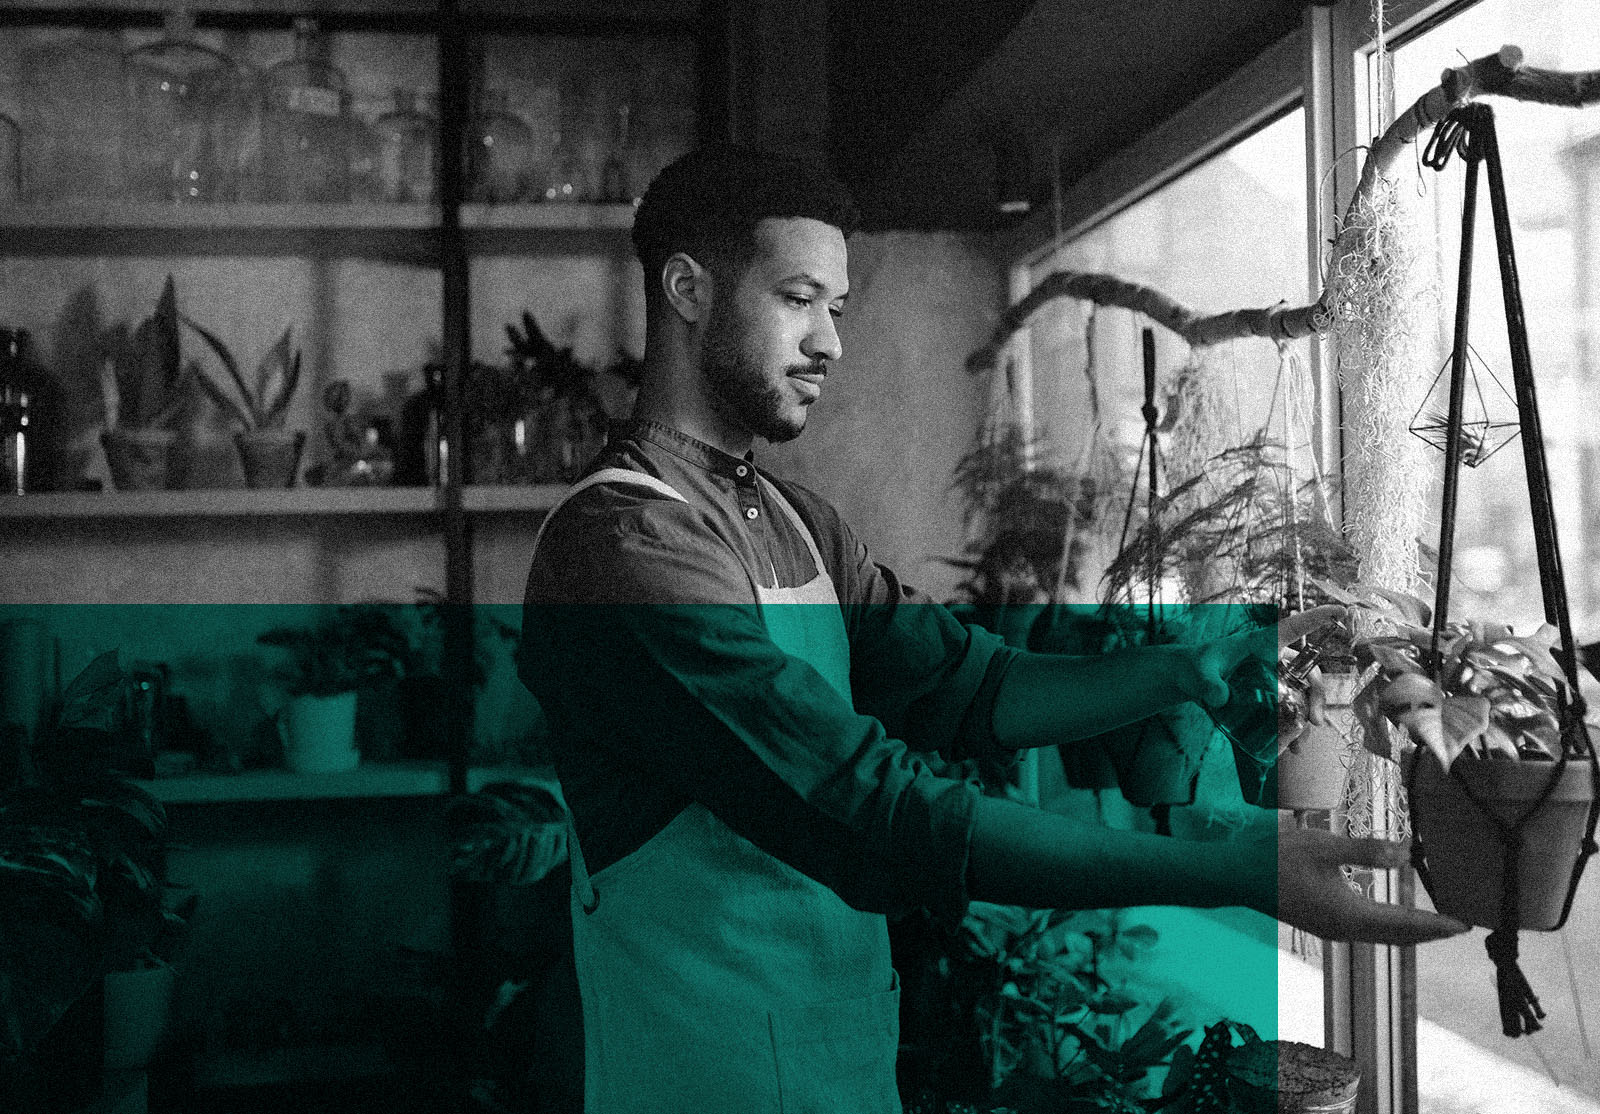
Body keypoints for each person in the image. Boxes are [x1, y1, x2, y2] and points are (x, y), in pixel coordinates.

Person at [516, 144, 1465, 1114]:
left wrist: (1183, 668)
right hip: (698, 1084)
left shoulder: (799, 520)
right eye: (798, 298)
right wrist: (1224, 870)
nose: (829, 343)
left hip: (836, 1071)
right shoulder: (623, 543)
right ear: (686, 289)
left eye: (834, 310)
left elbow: (969, 685)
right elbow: (867, 804)